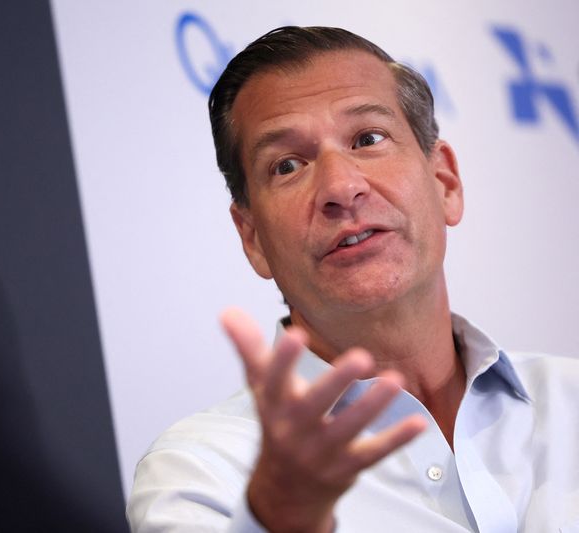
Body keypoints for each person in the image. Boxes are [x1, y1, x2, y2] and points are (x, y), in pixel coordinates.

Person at [127, 26, 579, 532]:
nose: (341, 187)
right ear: (253, 237)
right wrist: (278, 519)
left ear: (445, 183)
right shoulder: (204, 472)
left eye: (368, 138)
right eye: (288, 165)